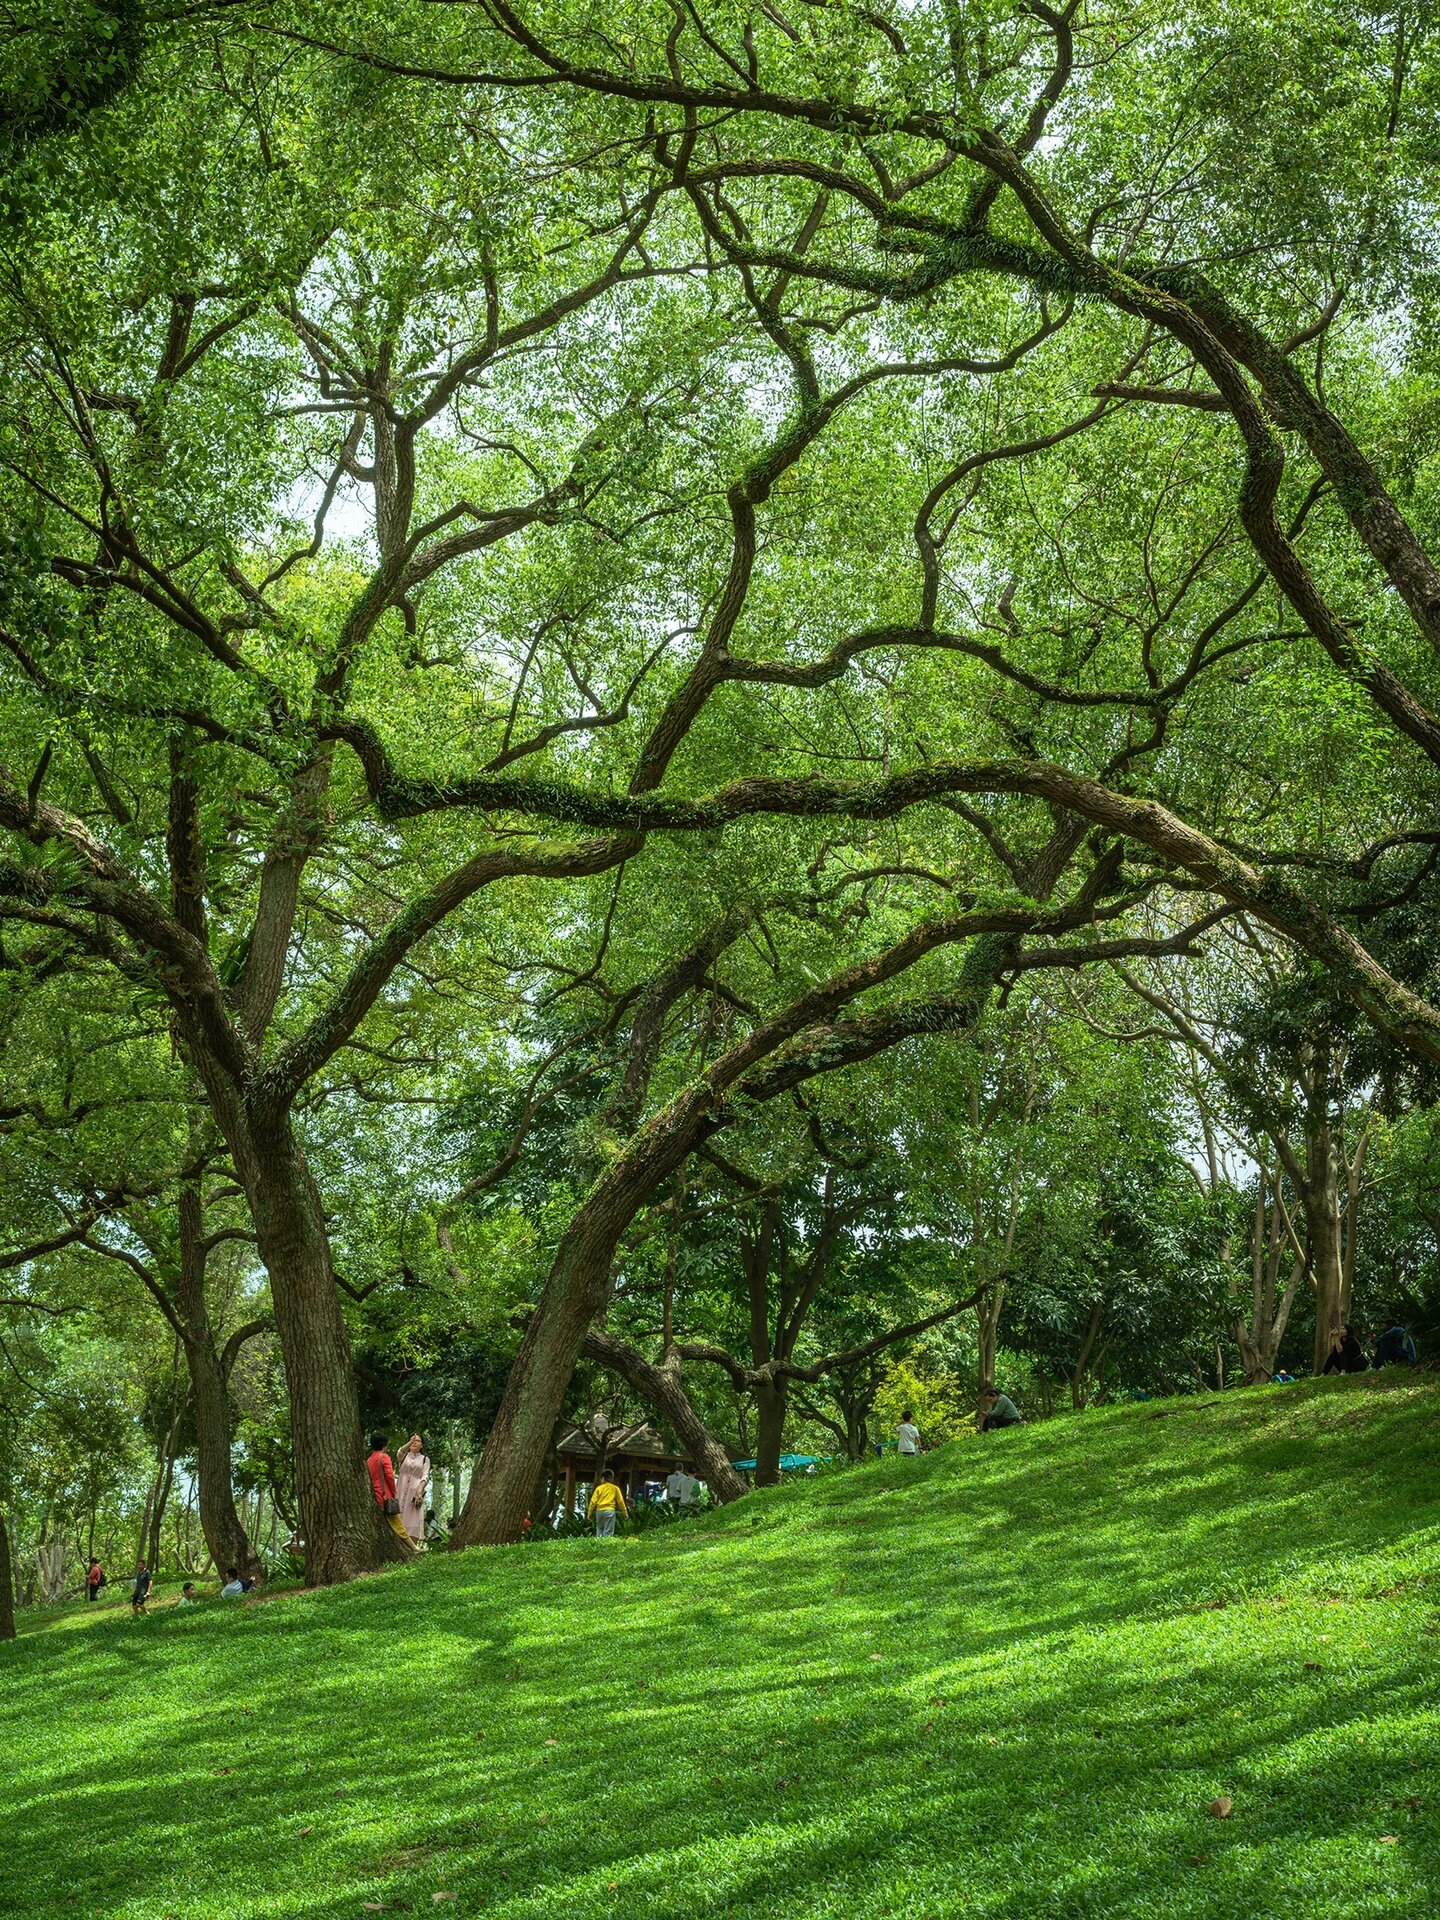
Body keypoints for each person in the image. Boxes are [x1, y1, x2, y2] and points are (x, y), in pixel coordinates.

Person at [366, 1431, 412, 1545]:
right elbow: (390, 1476)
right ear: (385, 1444)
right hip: (385, 1495)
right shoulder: (384, 1457)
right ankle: (413, 1548)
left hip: (374, 1494)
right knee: (396, 1522)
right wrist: (394, 1491)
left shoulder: (369, 1460)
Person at [396, 1433, 430, 1546]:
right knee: (398, 1517)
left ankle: (412, 1549)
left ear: (422, 1445)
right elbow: (399, 1452)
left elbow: (425, 1476)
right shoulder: (404, 1456)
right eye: (412, 1440)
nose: (414, 1442)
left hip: (413, 1494)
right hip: (400, 1491)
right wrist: (410, 1442)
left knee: (413, 1520)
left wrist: (419, 1490)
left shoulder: (425, 1459)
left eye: (418, 1441)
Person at [587, 1469, 628, 1538]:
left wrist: (589, 1513)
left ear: (603, 1478)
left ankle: (598, 1545)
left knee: (599, 1528)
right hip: (609, 1511)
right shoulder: (615, 1488)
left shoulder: (599, 1488)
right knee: (608, 1531)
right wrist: (625, 1513)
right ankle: (606, 1547)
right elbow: (620, 1502)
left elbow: (593, 1502)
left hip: (599, 1511)